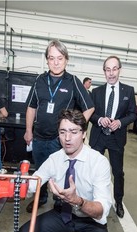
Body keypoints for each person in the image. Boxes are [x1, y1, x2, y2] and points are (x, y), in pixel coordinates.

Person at [12, 109, 117, 232]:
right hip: (63, 214)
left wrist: (78, 201)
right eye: (63, 132)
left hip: (90, 221)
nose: (67, 139)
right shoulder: (54, 158)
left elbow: (101, 210)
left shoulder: (99, 162)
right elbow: (34, 182)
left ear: (83, 134)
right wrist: (13, 187)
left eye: (73, 132)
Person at [24, 39, 94, 214]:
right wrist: (28, 130)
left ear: (66, 60)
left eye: (60, 58)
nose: (55, 62)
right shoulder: (40, 80)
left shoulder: (73, 82)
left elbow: (90, 107)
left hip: (60, 141)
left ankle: (59, 204)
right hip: (39, 137)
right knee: (40, 172)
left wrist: (74, 129)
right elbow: (31, 107)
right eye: (51, 58)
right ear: (47, 60)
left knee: (61, 174)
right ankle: (39, 198)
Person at [89, 55, 136, 218]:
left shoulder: (128, 91)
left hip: (116, 139)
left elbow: (133, 114)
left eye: (114, 69)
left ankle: (118, 201)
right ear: (104, 72)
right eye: (108, 69)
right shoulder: (96, 92)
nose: (111, 73)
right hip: (98, 137)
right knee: (93, 170)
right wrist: (100, 119)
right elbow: (90, 114)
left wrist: (120, 122)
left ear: (119, 70)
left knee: (118, 173)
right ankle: (90, 198)